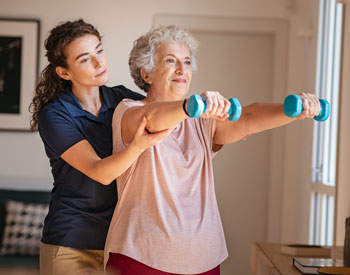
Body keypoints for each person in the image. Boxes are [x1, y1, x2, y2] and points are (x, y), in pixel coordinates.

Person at [104, 25, 321, 275]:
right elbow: (151, 119)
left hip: (203, 259)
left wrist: (294, 110)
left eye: (186, 62)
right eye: (170, 60)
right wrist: (191, 107)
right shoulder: (128, 110)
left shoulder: (201, 120)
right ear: (147, 74)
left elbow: (249, 116)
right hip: (141, 256)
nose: (181, 69)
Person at [29, 19, 170, 275]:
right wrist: (137, 146)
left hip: (119, 242)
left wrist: (211, 130)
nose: (99, 62)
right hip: (71, 243)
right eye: (85, 59)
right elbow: (100, 172)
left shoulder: (123, 99)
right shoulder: (56, 115)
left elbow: (163, 115)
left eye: (99, 50)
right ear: (64, 72)